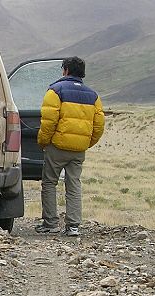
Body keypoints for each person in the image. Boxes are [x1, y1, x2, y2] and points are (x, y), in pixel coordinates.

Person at [35, 56, 105, 237]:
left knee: (49, 183)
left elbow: (48, 122)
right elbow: (98, 126)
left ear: (65, 70)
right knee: (74, 184)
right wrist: (86, 143)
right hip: (78, 150)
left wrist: (43, 141)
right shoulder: (93, 96)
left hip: (57, 147)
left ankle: (50, 224)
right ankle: (73, 226)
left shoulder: (55, 91)